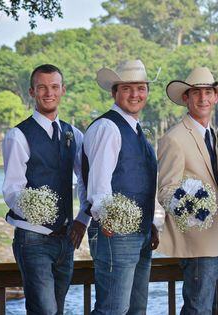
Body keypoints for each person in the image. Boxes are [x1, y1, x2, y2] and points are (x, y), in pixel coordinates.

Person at [2, 64, 90, 314]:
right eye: (42, 87)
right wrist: (40, 214)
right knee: (45, 311)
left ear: (63, 90)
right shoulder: (18, 136)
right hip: (32, 239)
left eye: (54, 87)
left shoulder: (74, 135)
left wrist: (82, 219)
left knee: (57, 310)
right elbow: (12, 190)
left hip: (66, 240)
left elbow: (84, 179)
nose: (48, 92)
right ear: (32, 91)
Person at [82, 59, 160, 314]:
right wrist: (108, 221)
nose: (135, 94)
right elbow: (99, 186)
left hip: (140, 233)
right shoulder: (108, 127)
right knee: (113, 309)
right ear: (115, 92)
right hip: (114, 233)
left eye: (140, 88)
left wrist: (149, 225)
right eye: (127, 88)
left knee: (136, 309)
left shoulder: (136, 129)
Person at [157, 67, 218, 314]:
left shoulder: (213, 135)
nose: (202, 98)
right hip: (197, 240)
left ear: (215, 97)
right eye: (196, 93)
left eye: (208, 92)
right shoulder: (174, 138)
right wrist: (194, 209)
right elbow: (166, 190)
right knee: (198, 308)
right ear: (186, 98)